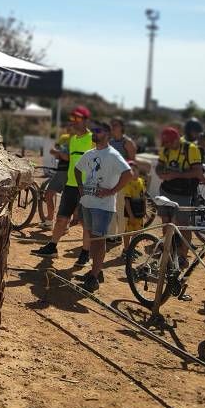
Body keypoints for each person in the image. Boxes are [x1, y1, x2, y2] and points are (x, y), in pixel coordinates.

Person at [73, 122, 132, 292]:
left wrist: (112, 191)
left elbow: (128, 174)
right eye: (94, 130)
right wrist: (80, 187)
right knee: (92, 240)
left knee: (99, 242)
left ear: (107, 134)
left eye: (98, 131)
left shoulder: (113, 155)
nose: (94, 133)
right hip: (88, 202)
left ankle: (94, 277)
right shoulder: (89, 153)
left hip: (103, 206)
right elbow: (78, 170)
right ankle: (95, 272)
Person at [32, 106, 93, 260]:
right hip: (70, 185)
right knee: (61, 218)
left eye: (78, 118)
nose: (74, 122)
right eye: (72, 118)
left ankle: (85, 253)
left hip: (87, 187)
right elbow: (70, 161)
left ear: (86, 120)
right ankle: (52, 247)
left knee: (85, 223)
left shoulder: (92, 139)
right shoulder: (72, 140)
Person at [156, 125, 205, 265]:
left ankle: (183, 255)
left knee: (183, 224)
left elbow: (197, 172)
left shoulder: (191, 149)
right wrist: (161, 174)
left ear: (177, 138)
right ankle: (167, 251)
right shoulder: (165, 148)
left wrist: (176, 175)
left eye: (170, 143)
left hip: (183, 193)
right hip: (166, 190)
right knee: (166, 221)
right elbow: (159, 165)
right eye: (165, 143)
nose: (168, 146)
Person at [107, 117, 137, 248]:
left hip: (122, 179)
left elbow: (132, 161)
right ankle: (111, 235)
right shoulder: (110, 141)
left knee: (121, 208)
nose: (113, 127)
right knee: (111, 208)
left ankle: (120, 235)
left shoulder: (128, 142)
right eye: (112, 125)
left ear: (122, 127)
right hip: (111, 178)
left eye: (116, 125)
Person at [41, 126, 71, 226]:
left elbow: (67, 157)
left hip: (70, 172)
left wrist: (59, 153)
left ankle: (65, 224)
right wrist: (59, 153)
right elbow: (54, 151)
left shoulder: (77, 140)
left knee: (66, 200)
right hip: (60, 170)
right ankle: (49, 221)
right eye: (69, 126)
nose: (69, 128)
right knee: (48, 194)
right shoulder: (64, 137)